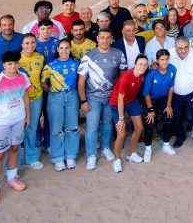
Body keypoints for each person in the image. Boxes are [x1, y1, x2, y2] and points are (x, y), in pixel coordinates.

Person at [0, 50, 30, 204]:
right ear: (4, 64)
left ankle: (12, 178)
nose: (13, 66)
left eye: (15, 63)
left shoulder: (23, 77)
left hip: (18, 119)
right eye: (9, 64)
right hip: (0, 123)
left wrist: (27, 115)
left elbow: (25, 96)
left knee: (15, 148)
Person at [77, 29, 126, 170]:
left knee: (107, 124)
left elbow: (122, 78)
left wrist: (119, 97)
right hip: (93, 98)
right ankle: (91, 155)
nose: (104, 40)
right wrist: (83, 101)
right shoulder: (89, 56)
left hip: (111, 98)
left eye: (107, 38)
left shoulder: (118, 54)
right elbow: (81, 82)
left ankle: (105, 147)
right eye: (102, 37)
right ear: (97, 38)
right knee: (91, 128)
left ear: (111, 38)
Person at [41, 38, 81, 171]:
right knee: (56, 128)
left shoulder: (76, 63)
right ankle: (58, 157)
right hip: (55, 97)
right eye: (61, 48)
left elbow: (81, 80)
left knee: (72, 126)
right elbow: (43, 82)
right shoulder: (50, 65)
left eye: (67, 48)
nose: (64, 51)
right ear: (57, 50)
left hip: (72, 96)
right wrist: (53, 91)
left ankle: (70, 155)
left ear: (70, 49)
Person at [109, 54, 149, 172]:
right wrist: (121, 119)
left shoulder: (142, 75)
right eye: (140, 64)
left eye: (145, 65)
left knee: (139, 127)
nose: (142, 66)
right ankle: (117, 160)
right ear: (135, 65)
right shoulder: (126, 77)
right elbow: (120, 99)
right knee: (121, 133)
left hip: (132, 101)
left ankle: (130, 154)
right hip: (117, 103)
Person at [169, 36, 193, 152]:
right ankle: (180, 137)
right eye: (180, 48)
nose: (183, 51)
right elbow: (159, 63)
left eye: (186, 47)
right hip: (175, 95)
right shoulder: (169, 55)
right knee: (176, 118)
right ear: (175, 47)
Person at [141, 49, 179, 161]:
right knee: (150, 123)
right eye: (162, 60)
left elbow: (171, 87)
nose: (165, 62)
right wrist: (151, 110)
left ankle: (166, 145)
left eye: (167, 59)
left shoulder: (172, 69)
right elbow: (146, 93)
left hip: (163, 98)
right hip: (150, 99)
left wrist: (169, 105)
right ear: (157, 61)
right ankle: (148, 149)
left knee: (168, 118)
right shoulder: (151, 74)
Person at [17, 33, 45, 169]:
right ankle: (14, 161)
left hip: (36, 97)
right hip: (18, 100)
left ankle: (31, 158)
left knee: (32, 127)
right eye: (27, 43)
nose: (30, 46)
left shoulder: (40, 57)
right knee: (17, 129)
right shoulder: (17, 59)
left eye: (33, 42)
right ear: (22, 45)